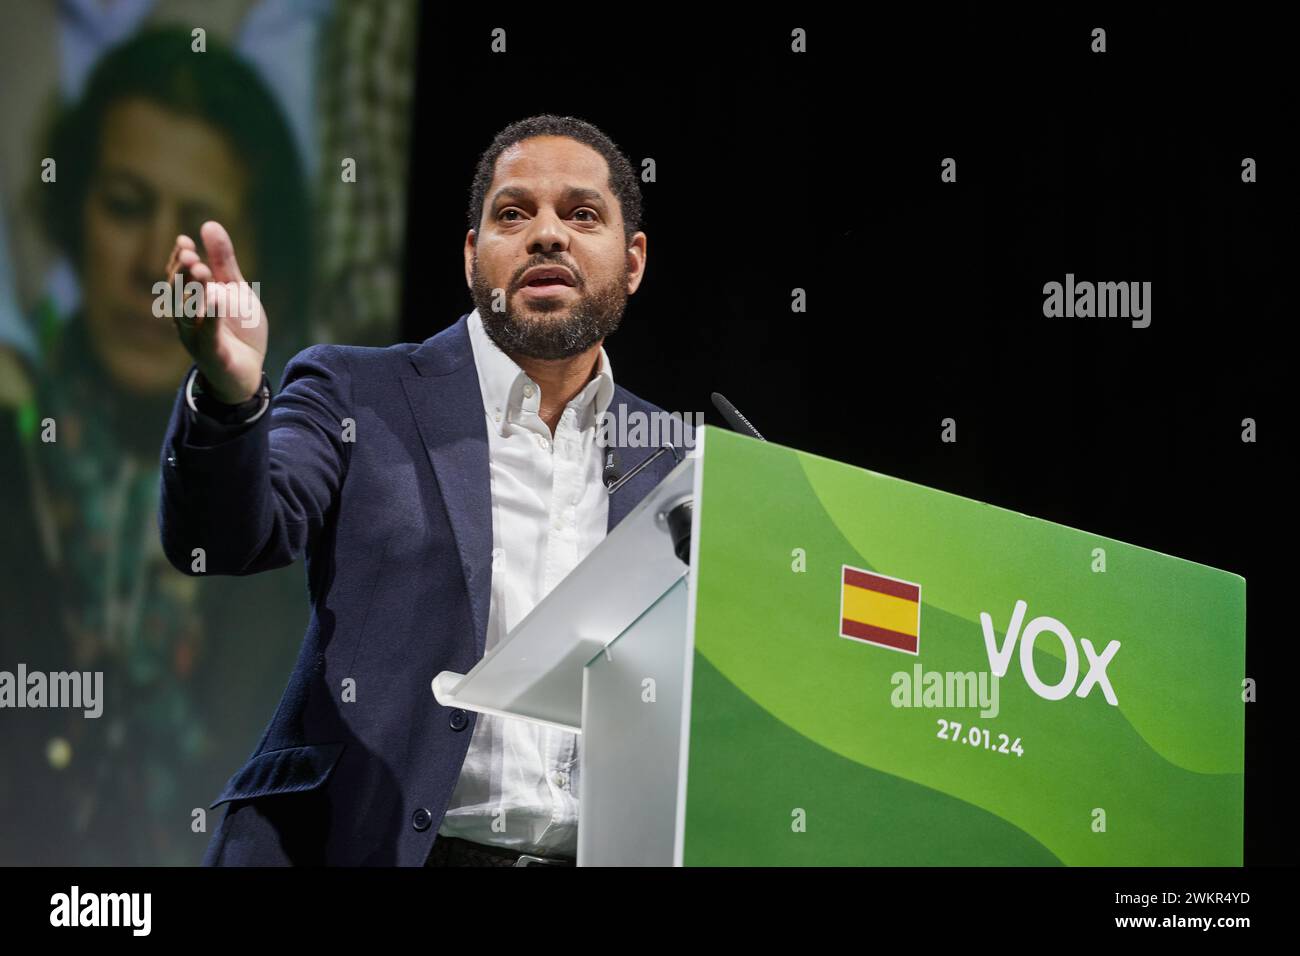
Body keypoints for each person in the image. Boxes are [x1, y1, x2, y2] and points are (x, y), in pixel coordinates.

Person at [160, 114, 689, 866]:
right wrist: (230, 396)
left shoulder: (677, 459)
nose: (547, 235)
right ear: (473, 254)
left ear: (632, 260)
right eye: (513, 213)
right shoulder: (358, 390)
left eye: (581, 214)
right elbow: (227, 537)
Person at [0, 29, 311, 865]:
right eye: (126, 205)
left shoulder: (317, 485)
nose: (156, 265)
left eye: (201, 235)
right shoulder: (13, 449)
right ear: (72, 215)